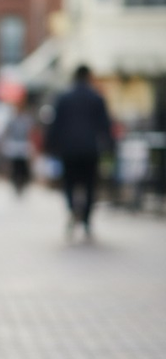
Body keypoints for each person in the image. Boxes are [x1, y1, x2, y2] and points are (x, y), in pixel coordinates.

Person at [46, 64, 113, 238]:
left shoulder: (64, 98)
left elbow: (55, 125)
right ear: (88, 76)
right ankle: (86, 218)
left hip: (68, 149)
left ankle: (72, 210)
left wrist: (51, 146)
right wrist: (110, 146)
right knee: (90, 184)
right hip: (90, 149)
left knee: (69, 183)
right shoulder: (96, 97)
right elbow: (105, 125)